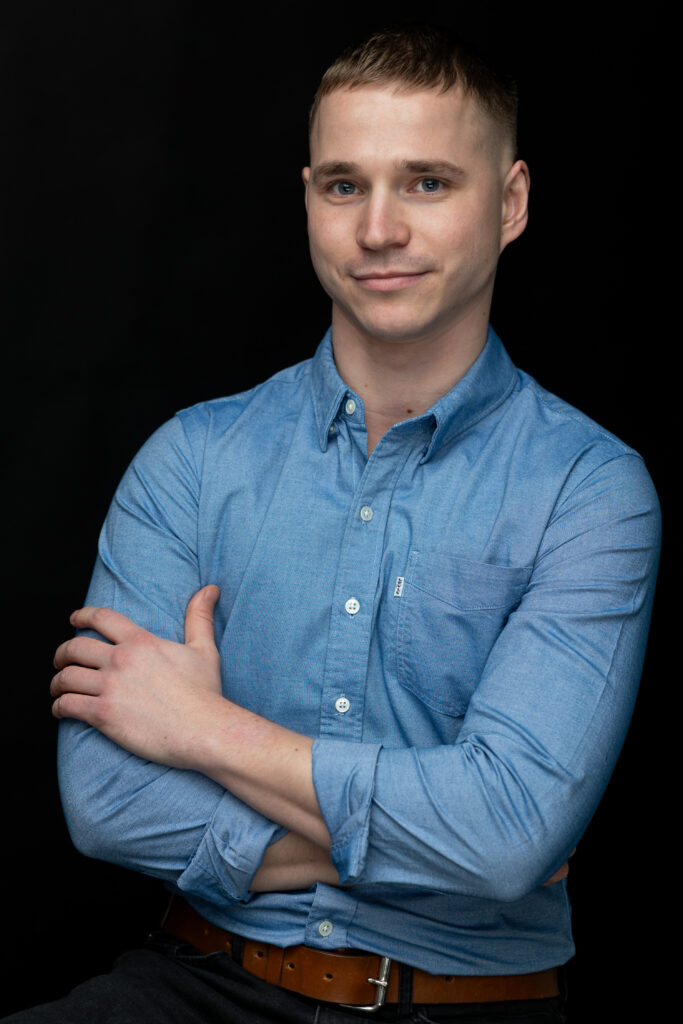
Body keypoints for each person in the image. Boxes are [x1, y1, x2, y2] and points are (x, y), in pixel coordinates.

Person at [6, 24, 660, 1024]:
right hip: (195, 986)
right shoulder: (191, 460)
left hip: (465, 1007)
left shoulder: (588, 488)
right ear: (309, 197)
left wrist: (199, 728)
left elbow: (505, 835)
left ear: (510, 203)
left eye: (427, 183)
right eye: (345, 186)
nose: (378, 229)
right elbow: (107, 804)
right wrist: (455, 838)